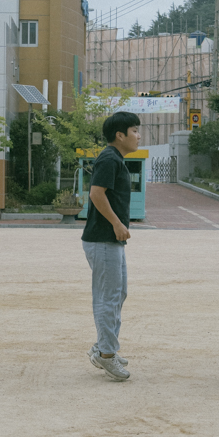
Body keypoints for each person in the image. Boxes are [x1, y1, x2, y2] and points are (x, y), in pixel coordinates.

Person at [82, 111, 140, 381]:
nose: (138, 136)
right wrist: (117, 224)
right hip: (103, 239)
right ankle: (105, 354)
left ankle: (106, 347)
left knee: (117, 294)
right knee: (108, 297)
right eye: (135, 131)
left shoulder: (115, 158)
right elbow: (96, 193)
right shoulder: (109, 158)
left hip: (110, 240)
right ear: (120, 135)